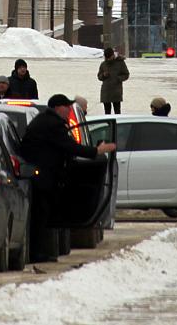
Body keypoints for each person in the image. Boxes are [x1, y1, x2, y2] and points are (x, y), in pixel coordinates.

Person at [20, 94, 116, 263]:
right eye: (67, 107)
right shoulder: (52, 124)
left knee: (42, 216)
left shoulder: (44, 121)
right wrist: (96, 151)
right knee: (40, 217)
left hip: (40, 175)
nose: (69, 111)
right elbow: (69, 146)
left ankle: (38, 252)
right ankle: (36, 253)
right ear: (58, 108)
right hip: (43, 177)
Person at [97, 47, 130, 114]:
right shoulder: (103, 64)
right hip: (106, 92)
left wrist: (118, 78)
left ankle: (117, 124)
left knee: (117, 112)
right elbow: (99, 77)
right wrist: (103, 75)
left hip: (116, 92)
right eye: (107, 58)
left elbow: (126, 74)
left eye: (110, 57)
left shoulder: (120, 63)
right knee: (107, 113)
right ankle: (108, 124)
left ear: (113, 55)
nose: (109, 59)